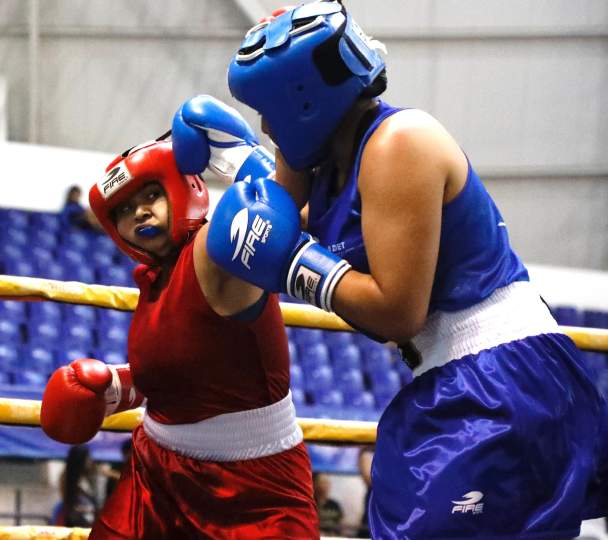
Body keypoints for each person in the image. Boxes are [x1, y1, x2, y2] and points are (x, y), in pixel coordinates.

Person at [168, 2, 608, 538]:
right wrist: (243, 159)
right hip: (455, 377)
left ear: (302, 100)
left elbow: (395, 310)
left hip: (500, 374)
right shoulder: (331, 161)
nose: (265, 124)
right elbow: (281, 222)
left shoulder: (400, 143)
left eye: (269, 110)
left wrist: (290, 262)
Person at [40, 139, 318, 538]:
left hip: (249, 487)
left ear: (183, 188)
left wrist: (282, 131)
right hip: (156, 472)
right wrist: (118, 389)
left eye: (152, 194)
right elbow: (190, 368)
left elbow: (279, 205)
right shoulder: (156, 279)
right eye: (123, 209)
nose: (139, 212)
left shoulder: (214, 251)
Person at [52, 445, 98, 527]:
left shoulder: (87, 477)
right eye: (88, 458)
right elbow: (70, 504)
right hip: (75, 522)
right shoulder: (68, 478)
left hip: (86, 520)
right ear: (80, 459)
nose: (90, 461)